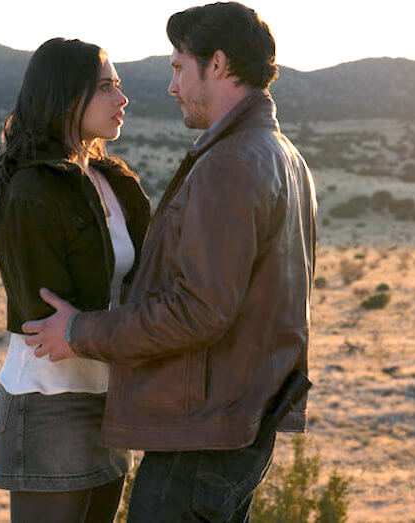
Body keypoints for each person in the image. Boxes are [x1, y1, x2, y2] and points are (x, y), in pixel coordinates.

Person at [23, 3, 318, 521]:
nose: (171, 85)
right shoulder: (284, 155)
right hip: (239, 421)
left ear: (219, 64)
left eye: (179, 66)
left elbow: (199, 310)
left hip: (202, 435)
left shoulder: (231, 162)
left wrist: (81, 332)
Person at [0, 37, 150, 522]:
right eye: (105, 87)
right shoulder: (33, 187)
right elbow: (46, 321)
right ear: (64, 96)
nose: (121, 99)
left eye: (118, 86)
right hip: (48, 402)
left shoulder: (114, 181)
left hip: (110, 398)